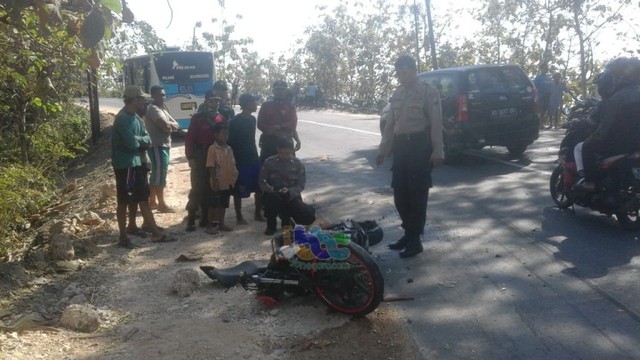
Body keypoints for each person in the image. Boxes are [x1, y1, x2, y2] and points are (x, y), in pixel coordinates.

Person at [375, 55, 444, 259]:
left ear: (414, 70)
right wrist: (382, 151)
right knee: (400, 195)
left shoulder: (428, 92)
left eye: (404, 71)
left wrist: (437, 151)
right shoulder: (397, 94)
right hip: (401, 147)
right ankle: (408, 233)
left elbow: (436, 123)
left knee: (417, 195)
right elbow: (389, 126)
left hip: (419, 146)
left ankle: (415, 240)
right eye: (398, 72)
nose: (401, 76)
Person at [112, 85, 175, 248]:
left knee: (139, 197)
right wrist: (140, 141)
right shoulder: (122, 118)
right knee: (125, 200)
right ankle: (126, 237)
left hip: (136, 163)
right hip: (125, 165)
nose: (144, 101)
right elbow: (132, 143)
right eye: (141, 99)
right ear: (134, 100)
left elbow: (146, 140)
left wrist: (139, 140)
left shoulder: (136, 118)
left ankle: (133, 227)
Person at [574, 57, 640, 192]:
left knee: (586, 147)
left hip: (618, 144)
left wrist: (593, 137)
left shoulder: (617, 98)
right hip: (635, 144)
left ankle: (590, 182)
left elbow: (604, 130)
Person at [185, 91, 226, 231]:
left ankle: (205, 218)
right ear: (207, 101)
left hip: (215, 153)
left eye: (218, 101)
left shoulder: (220, 118)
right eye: (213, 101)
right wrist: (190, 157)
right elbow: (190, 138)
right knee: (197, 186)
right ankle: (191, 218)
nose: (216, 103)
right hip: (200, 154)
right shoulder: (198, 118)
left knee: (212, 185)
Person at [259, 138, 316, 236]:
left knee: (308, 216)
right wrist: (268, 189)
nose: (284, 156)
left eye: (287, 153)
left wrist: (290, 191)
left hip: (290, 196)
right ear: (277, 150)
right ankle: (271, 225)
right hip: (273, 195)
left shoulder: (298, 164)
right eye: (281, 153)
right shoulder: (269, 162)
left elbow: (301, 185)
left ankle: (287, 222)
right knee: (272, 200)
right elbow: (262, 180)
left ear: (291, 151)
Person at [228, 93, 264, 225]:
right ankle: (239, 216)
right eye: (254, 102)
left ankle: (257, 213)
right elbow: (231, 143)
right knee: (239, 189)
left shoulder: (252, 120)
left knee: (259, 186)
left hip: (253, 158)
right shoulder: (235, 122)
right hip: (241, 160)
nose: (256, 105)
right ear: (248, 104)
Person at [144, 85, 179, 213]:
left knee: (157, 175)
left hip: (163, 145)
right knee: (159, 176)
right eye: (159, 95)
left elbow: (176, 124)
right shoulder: (153, 109)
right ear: (153, 96)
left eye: (164, 94)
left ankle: (152, 201)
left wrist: (169, 125)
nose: (163, 97)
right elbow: (167, 127)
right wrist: (169, 125)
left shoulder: (162, 109)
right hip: (157, 146)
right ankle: (161, 204)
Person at [205, 122, 238, 234]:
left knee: (223, 203)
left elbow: (232, 164)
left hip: (227, 181)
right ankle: (209, 225)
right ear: (216, 134)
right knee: (213, 204)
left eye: (227, 134)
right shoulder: (212, 149)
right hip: (217, 181)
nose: (226, 136)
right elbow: (211, 166)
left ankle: (221, 224)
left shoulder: (229, 148)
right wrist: (214, 181)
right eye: (223, 134)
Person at [257, 80, 301, 163]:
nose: (280, 92)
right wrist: (269, 129)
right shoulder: (266, 105)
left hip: (286, 142)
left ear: (285, 91)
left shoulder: (290, 106)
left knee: (290, 169)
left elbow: (293, 123)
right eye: (278, 90)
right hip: (269, 141)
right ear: (273, 91)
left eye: (282, 90)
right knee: (266, 168)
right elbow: (260, 123)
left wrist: (281, 127)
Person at [534, 64, 553, 129]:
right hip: (541, 96)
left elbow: (551, 86)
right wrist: (542, 92)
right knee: (541, 110)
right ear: (541, 69)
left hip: (548, 96)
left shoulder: (548, 77)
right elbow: (535, 86)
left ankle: (550, 124)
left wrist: (550, 92)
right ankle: (540, 124)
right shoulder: (538, 77)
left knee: (548, 110)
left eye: (546, 68)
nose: (546, 69)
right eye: (544, 68)